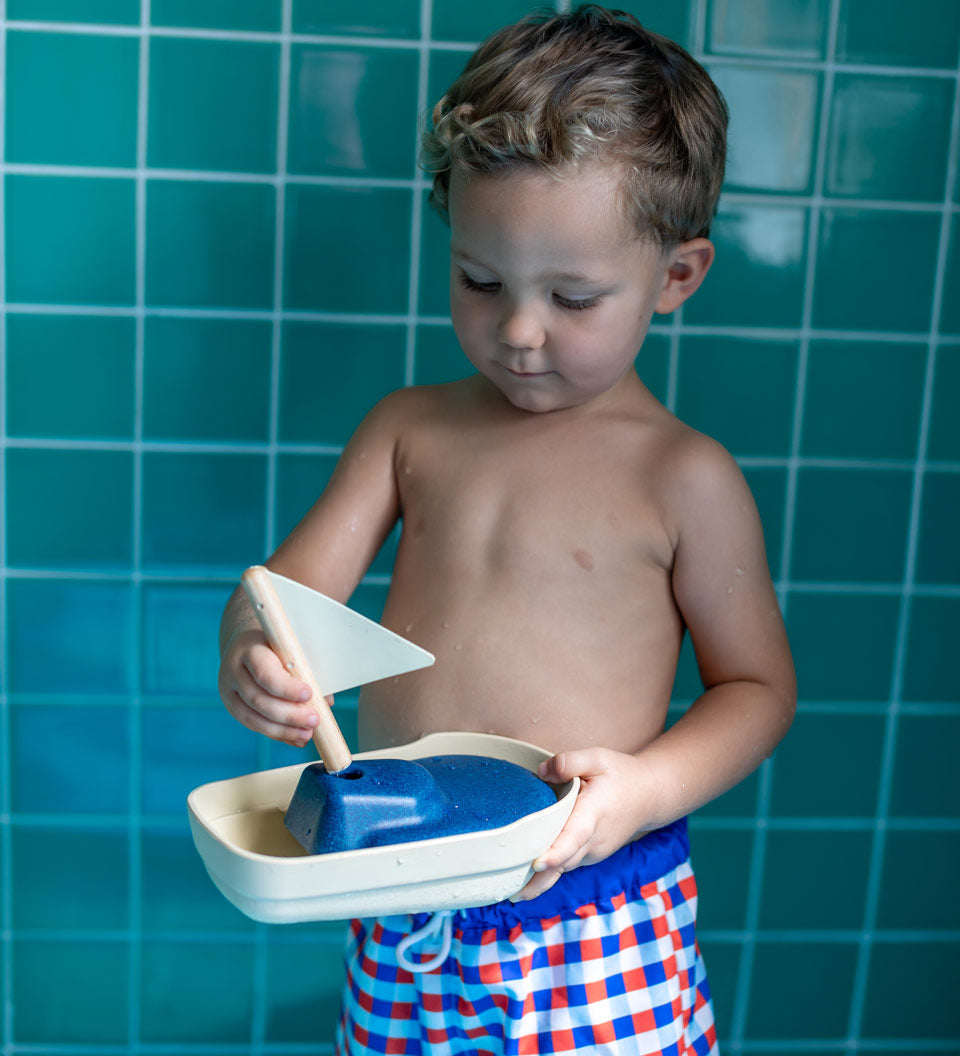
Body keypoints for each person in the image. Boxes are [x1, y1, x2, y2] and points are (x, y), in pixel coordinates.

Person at [218, 6, 796, 1053]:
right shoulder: (408, 432)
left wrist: (648, 789)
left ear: (677, 277)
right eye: (479, 281)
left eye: (573, 297)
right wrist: (257, 654)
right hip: (405, 896)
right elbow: (282, 597)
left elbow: (758, 690)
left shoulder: (684, 479)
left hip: (594, 910)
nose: (519, 331)